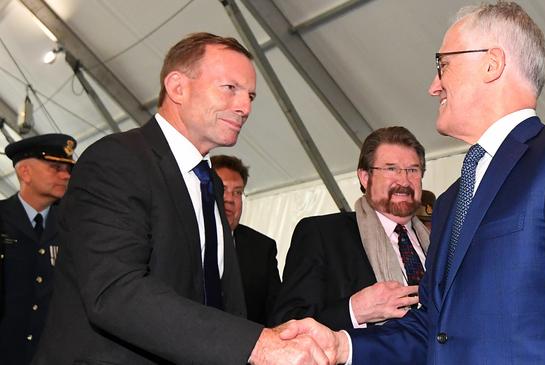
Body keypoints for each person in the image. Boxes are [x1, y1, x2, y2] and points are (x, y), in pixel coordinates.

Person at [283, 2, 545, 364]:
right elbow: (435, 327)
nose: (433, 86)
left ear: (491, 64)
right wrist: (341, 346)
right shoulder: (454, 197)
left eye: (443, 65)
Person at [33, 33, 333, 365]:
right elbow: (116, 291)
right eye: (229, 88)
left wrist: (272, 339)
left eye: (250, 96)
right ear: (177, 87)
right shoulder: (117, 160)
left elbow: (214, 299)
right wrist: (256, 345)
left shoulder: (208, 182)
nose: (245, 107)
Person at [271, 126, 431, 331]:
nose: (404, 180)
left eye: (412, 170)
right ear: (365, 177)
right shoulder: (322, 235)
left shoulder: (441, 242)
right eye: (391, 169)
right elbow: (287, 323)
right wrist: (354, 311)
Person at [0, 133, 76, 364]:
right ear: (25, 173)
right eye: (55, 167)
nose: (65, 175)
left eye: (68, 169)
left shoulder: (75, 226)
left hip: (53, 353)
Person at [211, 154, 281, 326]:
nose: (229, 199)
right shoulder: (182, 236)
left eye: (237, 192)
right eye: (222, 189)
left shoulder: (262, 248)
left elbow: (276, 311)